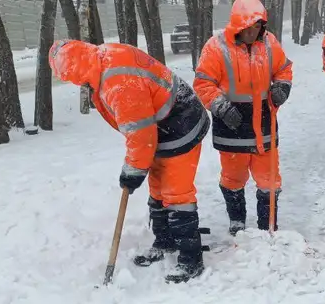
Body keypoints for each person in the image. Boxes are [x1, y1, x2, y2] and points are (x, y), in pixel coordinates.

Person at [49, 39, 210, 283]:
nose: (75, 83)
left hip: (181, 121)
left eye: (71, 77)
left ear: (76, 69)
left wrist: (133, 170)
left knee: (176, 191)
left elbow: (141, 134)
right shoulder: (103, 57)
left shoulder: (118, 82)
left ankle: (191, 257)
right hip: (162, 123)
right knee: (157, 186)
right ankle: (165, 241)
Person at [194, 0, 293, 235]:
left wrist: (282, 87)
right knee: (232, 178)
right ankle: (237, 220)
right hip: (231, 125)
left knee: (269, 180)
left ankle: (267, 225)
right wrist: (222, 107)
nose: (252, 33)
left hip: (264, 124)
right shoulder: (216, 47)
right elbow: (203, 82)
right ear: (237, 25)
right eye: (247, 28)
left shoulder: (270, 43)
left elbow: (284, 69)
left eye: (257, 28)